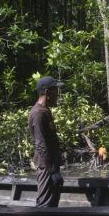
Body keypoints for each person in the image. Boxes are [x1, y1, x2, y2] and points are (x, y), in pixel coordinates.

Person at [28, 75, 65, 207]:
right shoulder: (38, 113)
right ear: (47, 92)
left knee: (53, 203)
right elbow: (41, 144)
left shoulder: (45, 111)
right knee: (44, 204)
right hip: (46, 166)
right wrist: (52, 171)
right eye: (55, 90)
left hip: (52, 164)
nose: (58, 94)